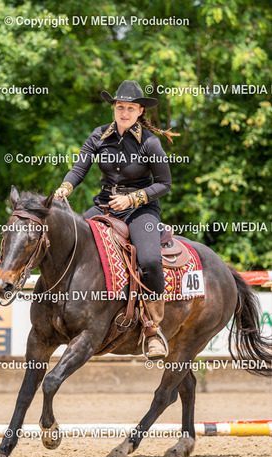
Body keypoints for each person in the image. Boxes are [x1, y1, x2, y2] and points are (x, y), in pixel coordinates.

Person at [54, 80, 179, 358]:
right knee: (71, 244)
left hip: (140, 210)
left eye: (131, 108)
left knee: (149, 260)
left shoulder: (150, 142)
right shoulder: (98, 135)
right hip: (104, 206)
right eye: (120, 107)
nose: (125, 112)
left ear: (140, 111)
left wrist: (132, 199)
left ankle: (152, 328)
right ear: (114, 108)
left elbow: (164, 184)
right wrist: (66, 187)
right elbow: (80, 167)